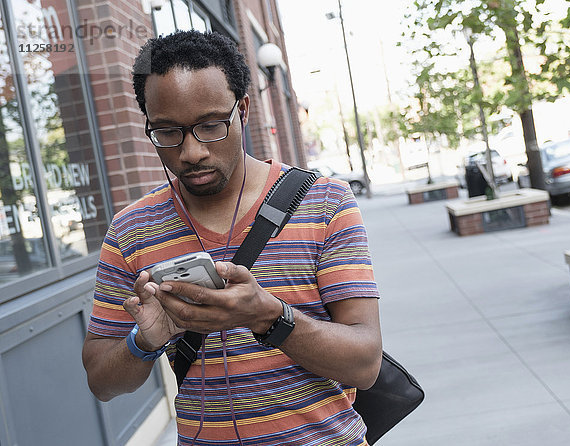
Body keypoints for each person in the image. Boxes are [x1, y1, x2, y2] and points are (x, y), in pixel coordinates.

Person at [82, 30, 382, 446]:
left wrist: (268, 317)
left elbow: (365, 363)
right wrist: (144, 340)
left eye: (210, 126)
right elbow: (101, 382)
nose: (190, 152)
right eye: (167, 132)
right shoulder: (132, 230)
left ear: (242, 110)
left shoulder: (325, 202)